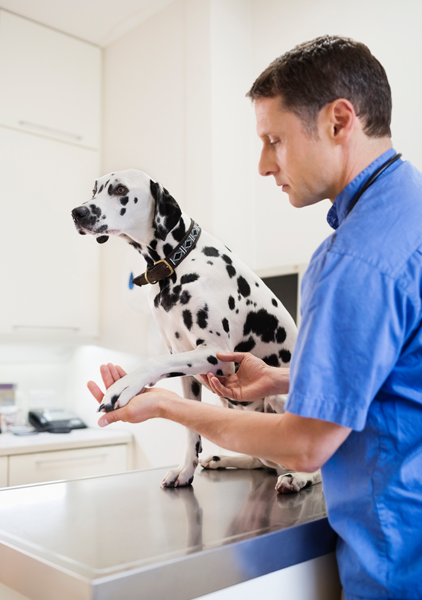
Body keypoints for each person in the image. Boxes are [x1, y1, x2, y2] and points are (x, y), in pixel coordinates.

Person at [88, 35, 422, 600]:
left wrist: (171, 404)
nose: (264, 164)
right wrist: (286, 378)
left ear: (340, 122)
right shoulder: (410, 208)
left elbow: (303, 446)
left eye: (275, 140)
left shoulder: (350, 260)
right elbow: (400, 371)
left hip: (397, 560)